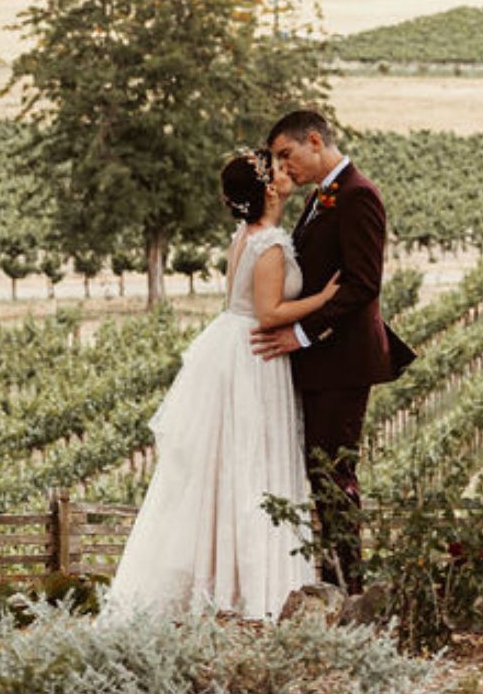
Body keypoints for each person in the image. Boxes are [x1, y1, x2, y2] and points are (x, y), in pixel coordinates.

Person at [100, 149, 342, 621]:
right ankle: (254, 594)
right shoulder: (268, 243)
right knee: (252, 465)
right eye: (277, 169)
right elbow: (270, 313)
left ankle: (224, 584)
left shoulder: (246, 235)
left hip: (232, 348)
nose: (286, 171)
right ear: (268, 189)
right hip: (254, 357)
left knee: (229, 466)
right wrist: (324, 297)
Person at [250, 109, 408, 593]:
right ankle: (332, 579)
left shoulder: (359, 195)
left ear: (314, 141)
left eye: (286, 154)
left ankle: (350, 587)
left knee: (335, 475)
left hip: (342, 361)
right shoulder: (321, 197)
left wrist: (299, 334)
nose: (282, 167)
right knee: (320, 473)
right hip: (318, 363)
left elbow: (362, 285)